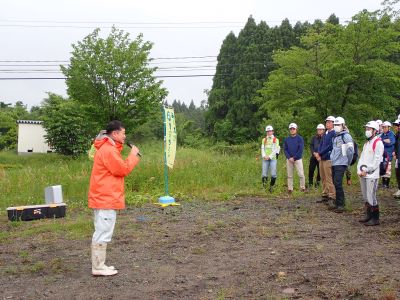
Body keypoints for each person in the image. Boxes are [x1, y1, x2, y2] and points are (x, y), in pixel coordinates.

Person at [88, 120, 141, 276]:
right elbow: (122, 169)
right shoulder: (108, 150)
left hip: (104, 196)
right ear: (115, 133)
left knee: (103, 230)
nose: (125, 136)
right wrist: (132, 156)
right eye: (123, 133)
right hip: (105, 197)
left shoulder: (109, 148)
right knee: (103, 231)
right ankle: (98, 267)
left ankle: (100, 265)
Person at [357, 121, 384, 226]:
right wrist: (359, 171)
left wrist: (367, 170)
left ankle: (375, 218)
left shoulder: (378, 143)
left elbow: (376, 161)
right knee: (365, 196)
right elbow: (362, 158)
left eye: (369, 129)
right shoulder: (367, 143)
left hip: (371, 174)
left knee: (371, 196)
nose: (367, 131)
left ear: (375, 131)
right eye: (366, 129)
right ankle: (368, 215)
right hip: (363, 174)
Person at [329, 117, 354, 213]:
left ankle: (341, 205)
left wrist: (348, 162)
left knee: (338, 183)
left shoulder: (346, 136)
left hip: (341, 163)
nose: (336, 127)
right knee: (335, 183)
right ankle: (338, 202)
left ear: (343, 125)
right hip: (334, 163)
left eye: (338, 125)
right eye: (335, 125)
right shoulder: (336, 136)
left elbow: (350, 151)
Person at [315, 116, 336, 204]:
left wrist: (320, 153)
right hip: (322, 158)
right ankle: (325, 194)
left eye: (329, 122)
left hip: (328, 158)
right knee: (322, 177)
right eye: (326, 122)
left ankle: (332, 196)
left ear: (333, 123)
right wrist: (318, 153)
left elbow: (330, 146)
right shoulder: (326, 133)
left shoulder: (334, 133)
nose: (327, 123)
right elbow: (321, 144)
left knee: (328, 178)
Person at [284, 123, 306, 194]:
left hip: (298, 159)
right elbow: (285, 149)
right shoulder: (287, 139)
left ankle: (302, 188)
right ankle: (290, 189)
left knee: (301, 174)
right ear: (289, 130)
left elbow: (300, 149)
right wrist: (289, 157)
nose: (292, 130)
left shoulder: (300, 138)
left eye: (293, 129)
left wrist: (294, 157)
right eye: (291, 129)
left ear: (296, 129)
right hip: (289, 159)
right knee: (289, 175)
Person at [261, 125, 280, 192]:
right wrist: (264, 156)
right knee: (264, 174)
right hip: (265, 159)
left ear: (272, 131)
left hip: (273, 159)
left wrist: (269, 157)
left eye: (270, 131)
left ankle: (271, 187)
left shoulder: (276, 140)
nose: (269, 132)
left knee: (273, 174)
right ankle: (264, 188)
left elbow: (275, 150)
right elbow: (262, 149)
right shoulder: (264, 139)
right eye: (267, 131)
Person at [309, 124, 325, 189]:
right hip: (314, 156)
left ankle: (317, 184)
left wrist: (319, 154)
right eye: (318, 129)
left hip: (321, 157)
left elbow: (325, 147)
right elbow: (311, 146)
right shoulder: (314, 138)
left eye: (320, 129)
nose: (319, 131)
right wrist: (314, 153)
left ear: (323, 130)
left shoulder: (325, 138)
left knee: (320, 171)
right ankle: (310, 184)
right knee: (311, 170)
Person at [381, 121, 396, 188]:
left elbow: (390, 142)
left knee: (388, 168)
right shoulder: (382, 134)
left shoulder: (391, 134)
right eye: (383, 127)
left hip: (389, 154)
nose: (384, 128)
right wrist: (384, 140)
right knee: (383, 167)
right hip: (383, 154)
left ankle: (386, 184)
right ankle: (383, 182)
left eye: (385, 127)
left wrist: (383, 140)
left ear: (388, 127)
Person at [393, 119, 400, 199]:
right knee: (398, 173)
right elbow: (396, 145)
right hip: (398, 158)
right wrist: (395, 152)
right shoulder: (397, 134)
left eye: (398, 125)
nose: (397, 127)